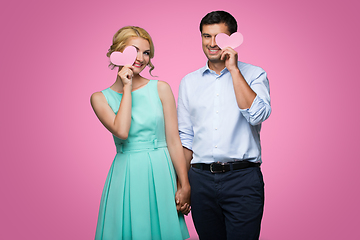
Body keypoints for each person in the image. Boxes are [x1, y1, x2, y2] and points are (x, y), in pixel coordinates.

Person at [177, 11, 271, 240]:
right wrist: (183, 184)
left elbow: (257, 115)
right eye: (206, 36)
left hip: (242, 179)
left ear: (232, 39)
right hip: (200, 180)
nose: (211, 44)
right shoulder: (189, 82)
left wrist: (234, 70)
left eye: (218, 37)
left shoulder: (254, 74)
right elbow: (185, 136)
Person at [91, 26, 190, 240]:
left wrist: (184, 184)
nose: (141, 58)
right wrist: (127, 87)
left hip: (162, 170)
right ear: (117, 51)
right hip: (127, 173)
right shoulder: (99, 98)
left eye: (146, 52)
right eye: (134, 50)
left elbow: (174, 140)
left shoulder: (161, 88)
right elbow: (122, 130)